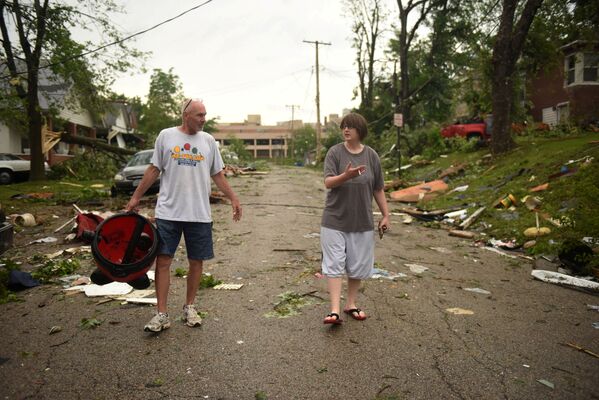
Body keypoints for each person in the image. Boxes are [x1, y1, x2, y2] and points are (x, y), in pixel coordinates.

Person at [126, 98, 242, 332]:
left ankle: (189, 306)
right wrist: (136, 197)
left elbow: (218, 174)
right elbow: (153, 169)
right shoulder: (166, 136)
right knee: (163, 261)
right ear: (186, 115)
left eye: (205, 115)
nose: (204, 119)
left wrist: (234, 198)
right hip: (169, 211)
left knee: (196, 261)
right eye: (200, 115)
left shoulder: (208, 141)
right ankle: (161, 313)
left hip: (199, 213)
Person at [320, 112, 389, 324]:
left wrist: (386, 215)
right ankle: (334, 310)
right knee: (333, 263)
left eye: (350, 126)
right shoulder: (335, 153)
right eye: (344, 126)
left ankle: (350, 303)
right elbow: (328, 182)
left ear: (361, 130)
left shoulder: (371, 156)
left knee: (357, 264)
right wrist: (346, 176)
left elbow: (378, 188)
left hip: (362, 221)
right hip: (334, 219)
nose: (346, 130)